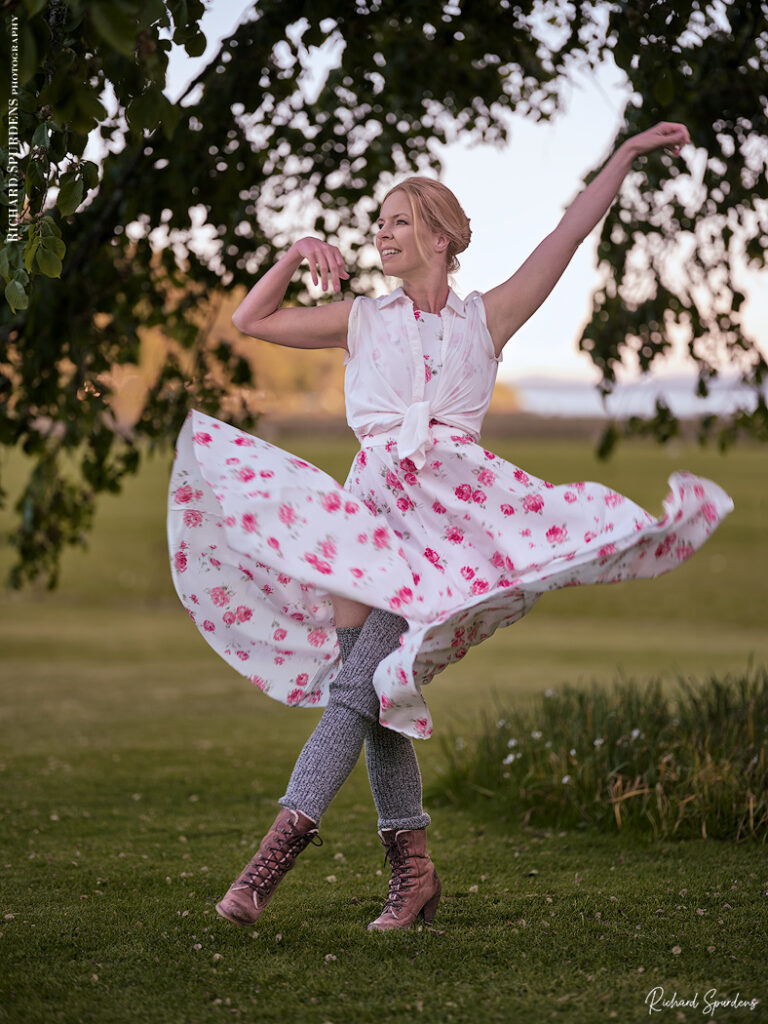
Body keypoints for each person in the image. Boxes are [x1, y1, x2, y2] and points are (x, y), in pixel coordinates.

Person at [167, 121, 733, 931]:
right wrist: (296, 253)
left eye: (398, 220)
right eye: (377, 224)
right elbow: (250, 321)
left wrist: (626, 157)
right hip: (369, 522)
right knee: (375, 694)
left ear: (438, 234)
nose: (380, 234)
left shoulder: (485, 320)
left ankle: (266, 869)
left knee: (362, 688)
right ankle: (415, 874)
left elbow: (568, 233)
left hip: (446, 532)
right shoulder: (362, 317)